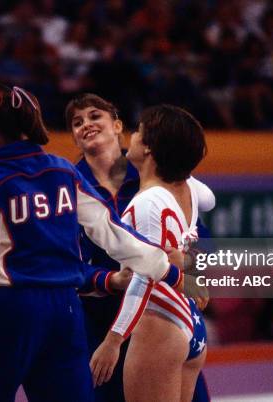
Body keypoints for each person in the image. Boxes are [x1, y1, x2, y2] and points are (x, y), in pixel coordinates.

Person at [0, 83, 180, 402]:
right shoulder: (63, 170)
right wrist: (171, 273)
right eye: (77, 121)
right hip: (65, 312)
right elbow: (113, 232)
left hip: (10, 312)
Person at [66, 94, 212, 402]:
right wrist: (109, 280)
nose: (87, 125)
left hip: (155, 319)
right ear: (74, 138)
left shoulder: (155, 183)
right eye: (77, 122)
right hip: (104, 320)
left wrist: (190, 269)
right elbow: (65, 265)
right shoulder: (67, 191)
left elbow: (196, 240)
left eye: (95, 116)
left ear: (117, 126)